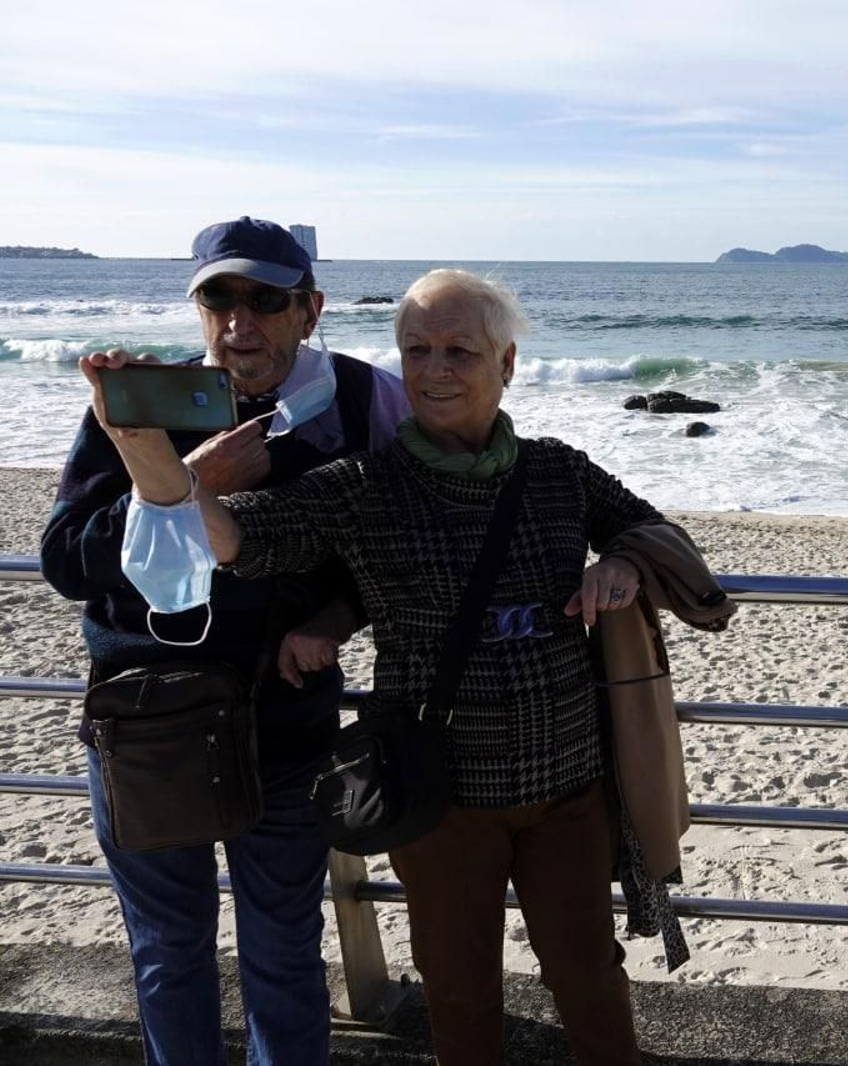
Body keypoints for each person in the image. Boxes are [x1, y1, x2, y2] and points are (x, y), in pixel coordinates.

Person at [77, 268, 729, 1066]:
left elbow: (653, 531)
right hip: (438, 796)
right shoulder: (366, 484)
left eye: (459, 350)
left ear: (508, 364)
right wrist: (153, 461)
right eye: (416, 350)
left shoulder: (558, 470)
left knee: (589, 975)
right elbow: (241, 536)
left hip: (567, 786)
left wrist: (622, 562)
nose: (435, 370)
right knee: (458, 991)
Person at [40, 216, 410, 1065]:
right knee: (170, 952)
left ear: (309, 309)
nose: (241, 320)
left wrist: (336, 617)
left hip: (285, 726)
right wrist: (188, 479)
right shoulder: (139, 403)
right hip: (150, 727)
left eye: (266, 299)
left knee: (282, 951)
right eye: (219, 297)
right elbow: (66, 560)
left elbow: (396, 540)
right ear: (197, 309)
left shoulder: (355, 401)